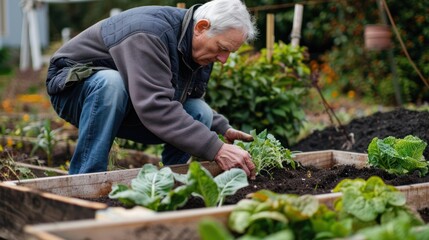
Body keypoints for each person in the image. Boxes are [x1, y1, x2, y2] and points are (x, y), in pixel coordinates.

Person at [45, 0, 258, 178]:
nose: (223, 59)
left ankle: (174, 181)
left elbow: (183, 101)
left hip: (129, 100)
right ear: (201, 27)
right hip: (73, 89)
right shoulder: (149, 33)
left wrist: (221, 127)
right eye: (222, 49)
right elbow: (155, 106)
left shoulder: (200, 47)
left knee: (199, 111)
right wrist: (217, 148)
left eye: (229, 52)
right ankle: (85, 181)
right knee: (111, 83)